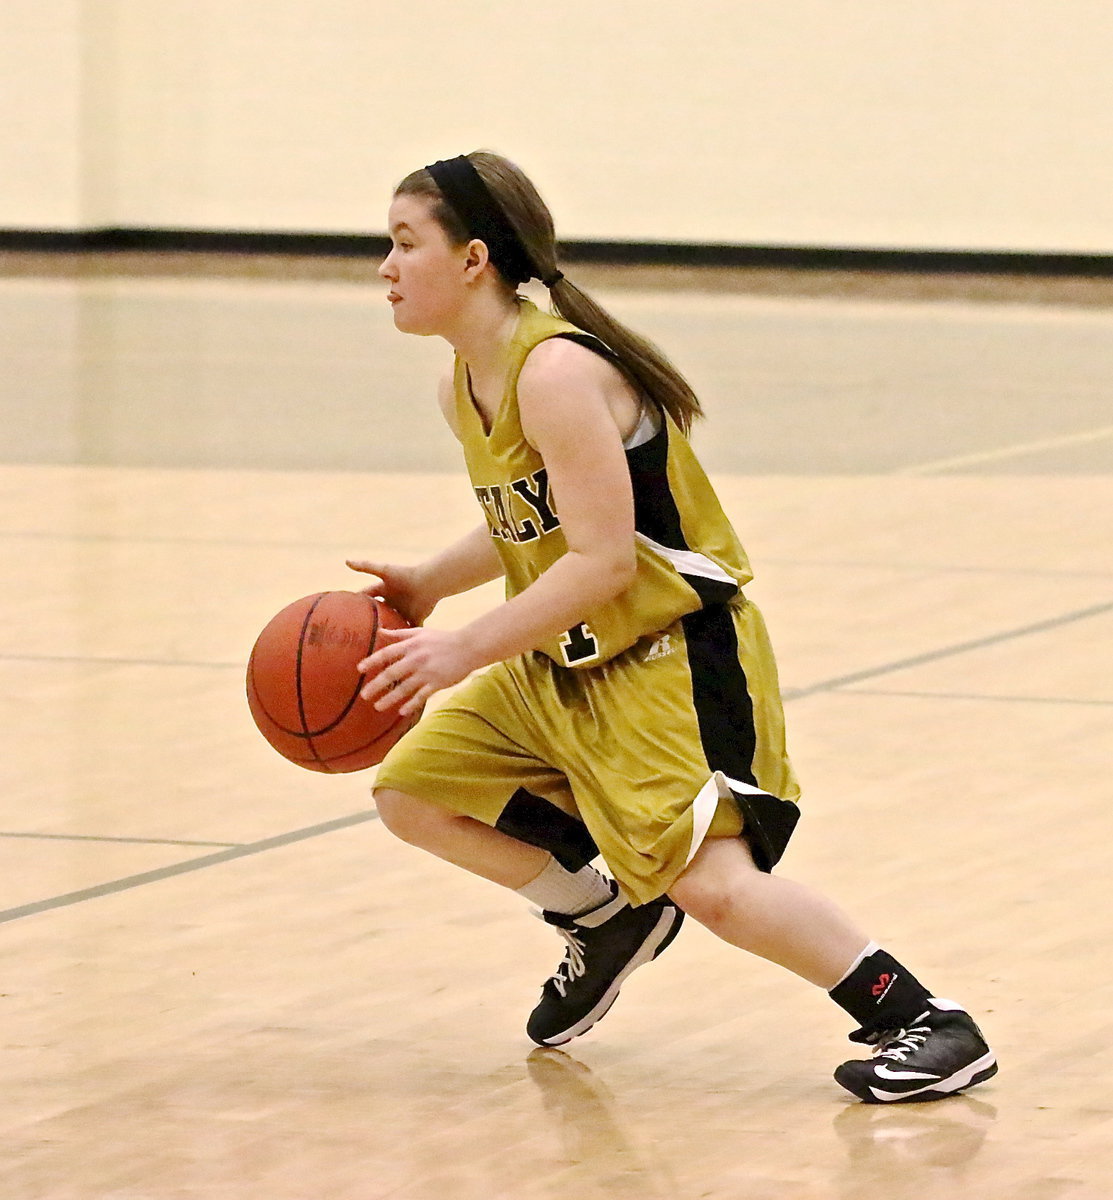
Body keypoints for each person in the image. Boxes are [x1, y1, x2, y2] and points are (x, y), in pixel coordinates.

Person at [346, 150, 997, 1104]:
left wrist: (458, 649)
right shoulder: (463, 384)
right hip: (563, 662)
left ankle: (923, 1020)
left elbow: (605, 560)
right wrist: (432, 582)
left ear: (475, 257)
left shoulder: (556, 371)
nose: (385, 266)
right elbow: (535, 521)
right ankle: (598, 914)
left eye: (405, 243)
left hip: (666, 656)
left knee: (714, 888)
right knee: (413, 792)